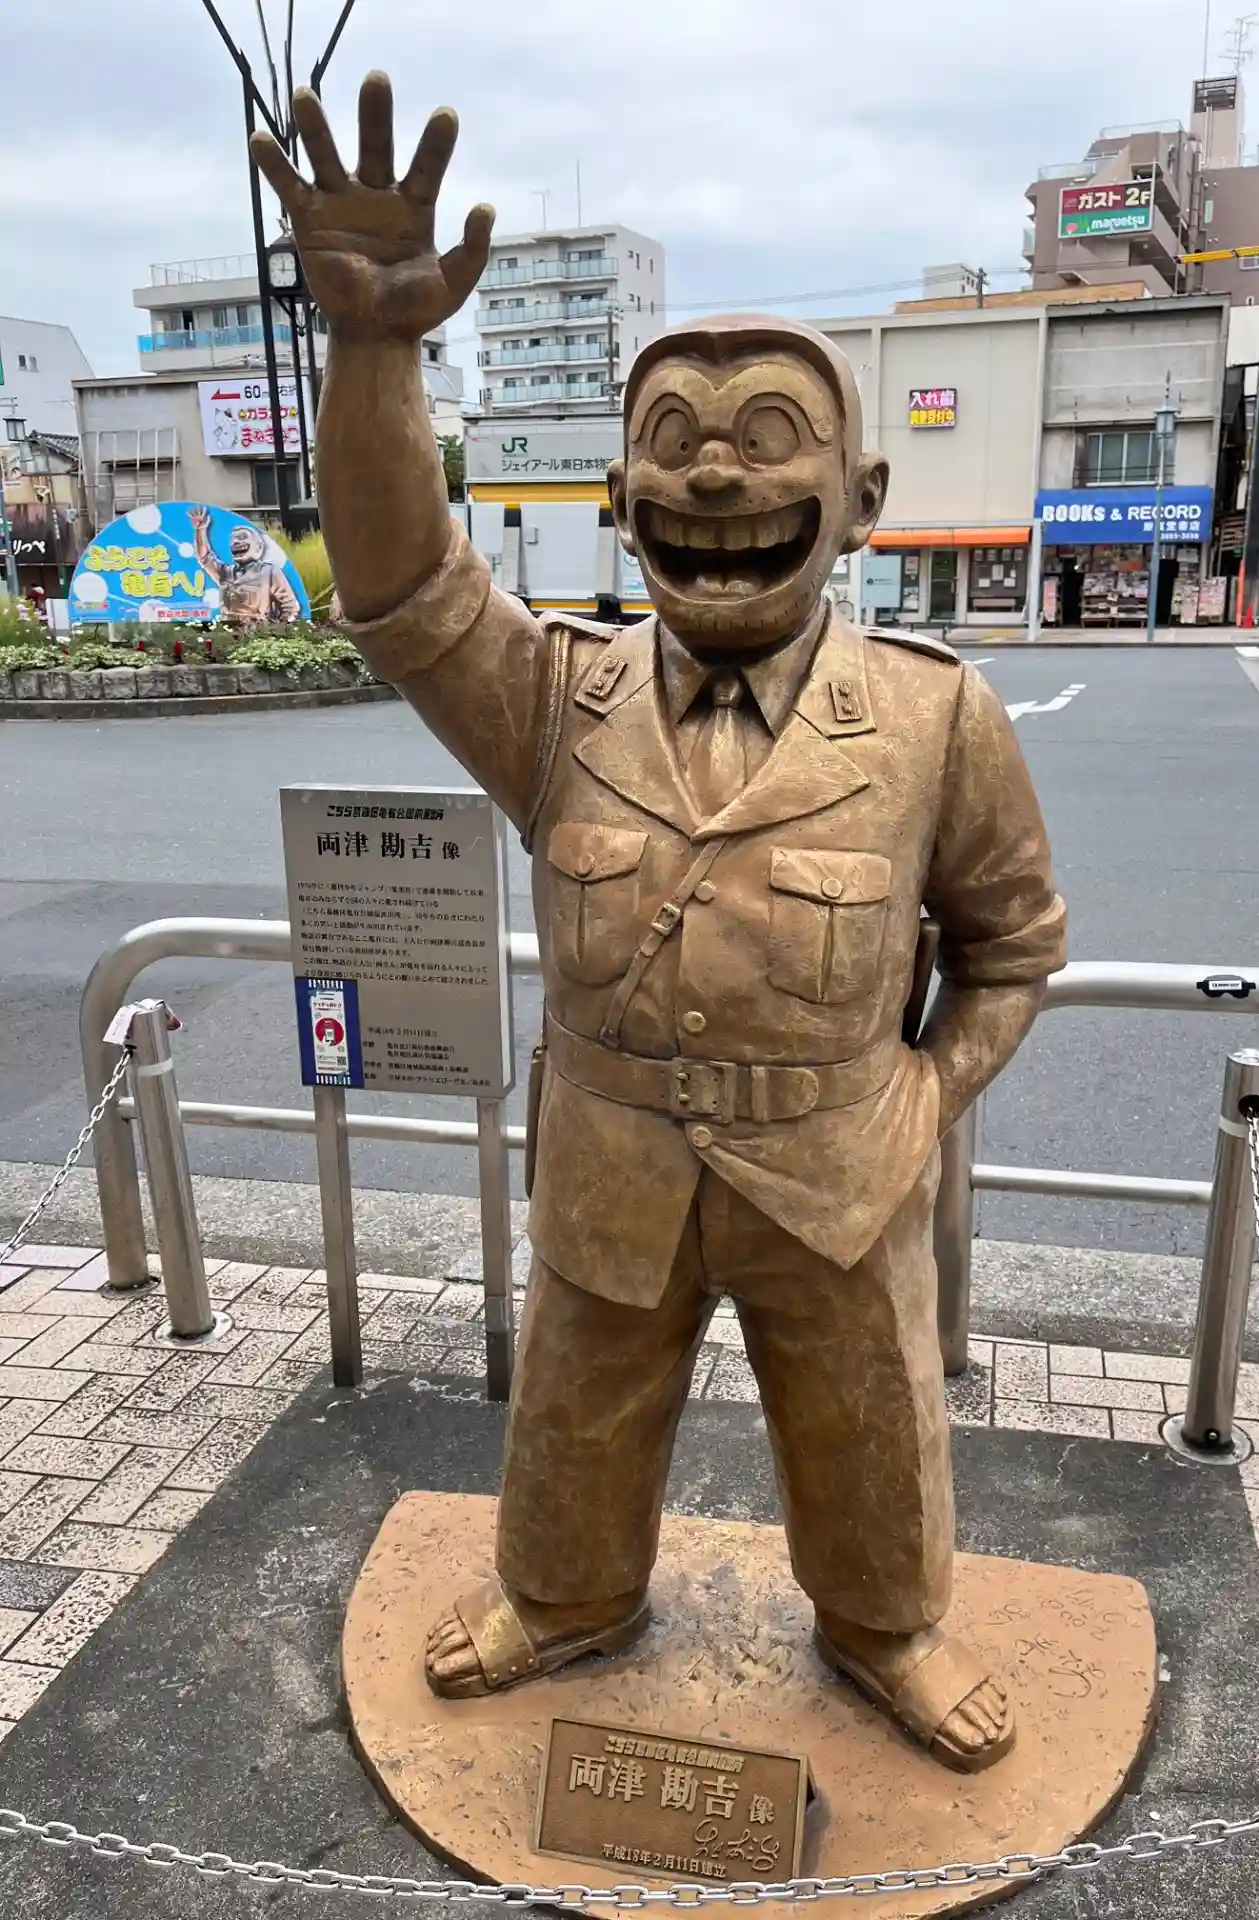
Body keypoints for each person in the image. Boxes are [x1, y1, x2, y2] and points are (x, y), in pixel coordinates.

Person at [253, 76, 1065, 1776]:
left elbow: (1013, 947)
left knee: (869, 1425)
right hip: (614, 1156)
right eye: (675, 439)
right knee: (577, 1411)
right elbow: (402, 592)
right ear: (619, 499)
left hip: (836, 1166)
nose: (714, 471)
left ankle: (887, 1629)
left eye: (769, 437)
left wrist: (925, 1095)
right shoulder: (558, 697)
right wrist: (377, 352)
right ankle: (563, 1599)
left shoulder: (936, 719)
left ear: (863, 494)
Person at [189, 507, 299, 626]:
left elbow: (290, 606)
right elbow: (204, 558)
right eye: (233, 540)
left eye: (242, 537)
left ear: (258, 546)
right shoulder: (226, 572)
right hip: (229, 630)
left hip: (258, 631)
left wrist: (279, 629)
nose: (236, 542)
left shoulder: (269, 572)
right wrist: (201, 529)